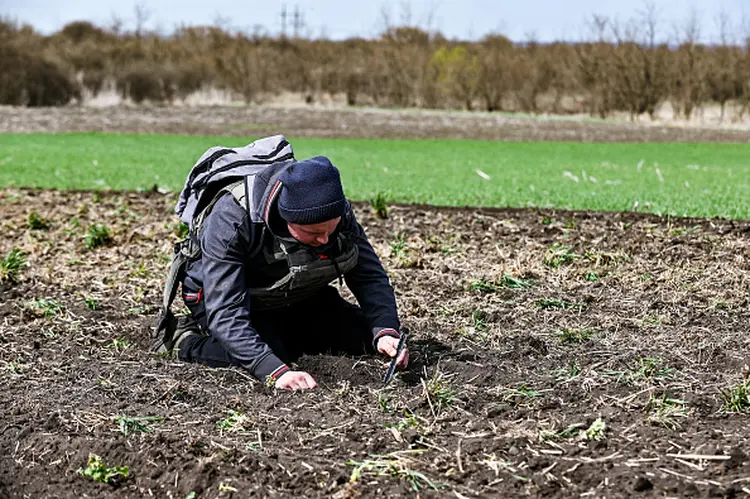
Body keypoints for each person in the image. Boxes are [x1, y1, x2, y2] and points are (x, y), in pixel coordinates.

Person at [156, 154, 408, 390]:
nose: (324, 239)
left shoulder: (336, 210)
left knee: (365, 338)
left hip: (291, 288)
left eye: (330, 231)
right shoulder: (232, 219)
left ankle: (288, 331)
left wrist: (386, 331)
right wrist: (275, 371)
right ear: (287, 218)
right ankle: (184, 341)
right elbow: (225, 310)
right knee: (271, 354)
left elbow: (369, 275)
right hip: (228, 297)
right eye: (314, 233)